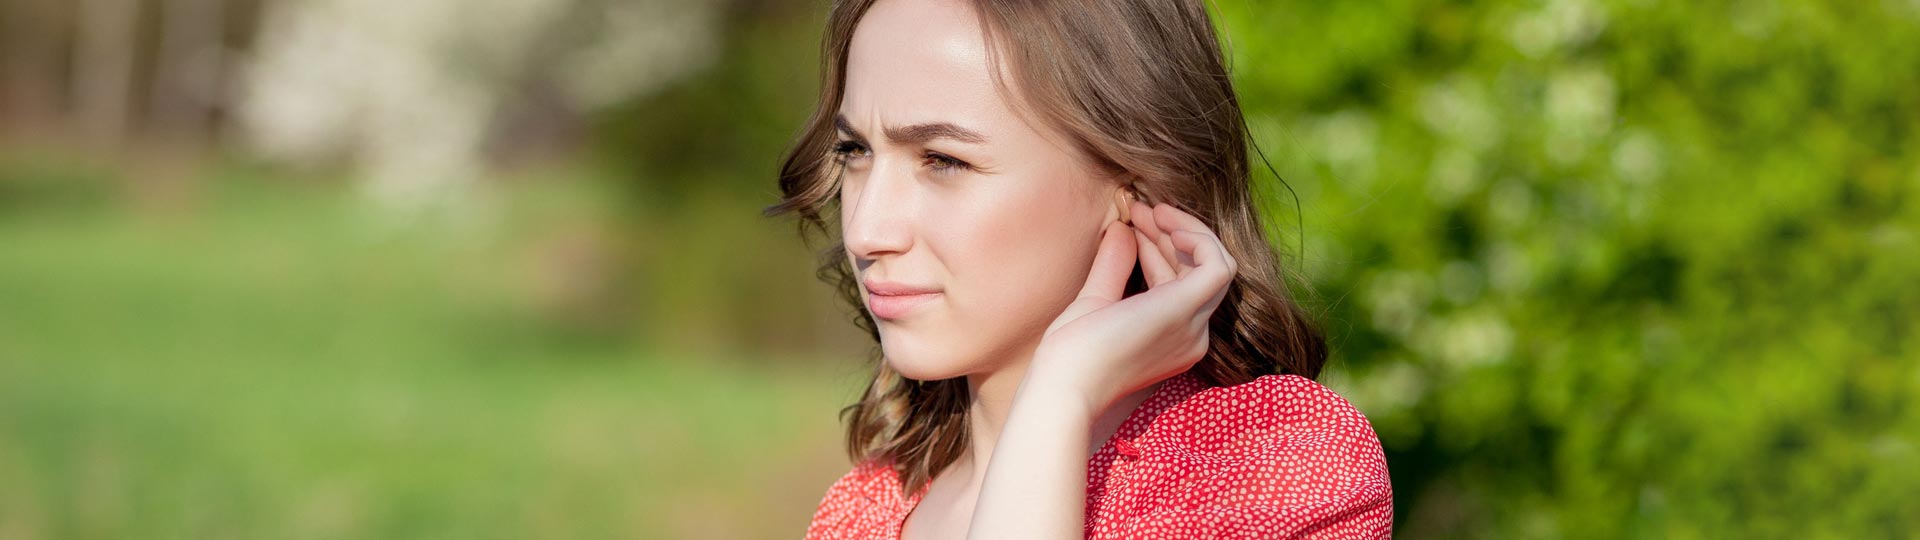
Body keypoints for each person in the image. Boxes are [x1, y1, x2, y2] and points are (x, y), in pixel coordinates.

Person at [769, 0, 1393, 537]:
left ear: (1131, 180)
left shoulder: (1265, 464)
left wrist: (1057, 398)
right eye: (854, 151)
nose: (867, 229)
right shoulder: (861, 513)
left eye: (942, 160)